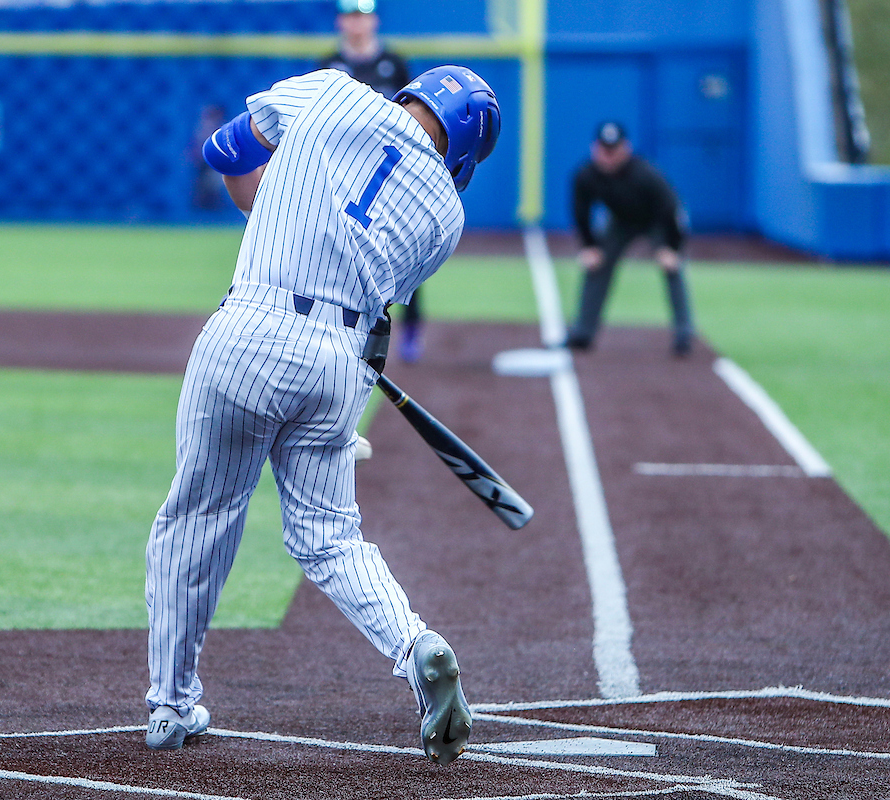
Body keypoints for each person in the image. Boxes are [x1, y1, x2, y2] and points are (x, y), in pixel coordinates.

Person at [144, 65, 501, 766]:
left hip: (249, 329)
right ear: (462, 152)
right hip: (338, 364)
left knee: (199, 518)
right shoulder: (446, 219)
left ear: (413, 94)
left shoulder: (333, 91)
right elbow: (374, 304)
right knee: (330, 539)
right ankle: (415, 646)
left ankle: (171, 703)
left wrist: (269, 196)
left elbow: (223, 153)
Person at [319, 0, 425, 363]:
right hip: (342, 173)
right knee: (339, 252)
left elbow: (411, 115)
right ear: (340, 21)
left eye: (363, 16)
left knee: (405, 252)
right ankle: (342, 330)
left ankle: (410, 328)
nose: (357, 23)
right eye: (351, 16)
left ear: (375, 21)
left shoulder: (393, 63)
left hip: (387, 174)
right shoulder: (328, 64)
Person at [564, 121, 695, 356]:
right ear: (595, 148)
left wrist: (672, 247)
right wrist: (589, 246)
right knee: (596, 266)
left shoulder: (645, 174)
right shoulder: (586, 175)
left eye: (613, 150)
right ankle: (583, 332)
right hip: (621, 222)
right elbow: (581, 212)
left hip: (657, 221)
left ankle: (683, 333)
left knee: (673, 269)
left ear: (626, 148)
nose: (608, 156)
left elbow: (672, 209)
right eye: (604, 149)